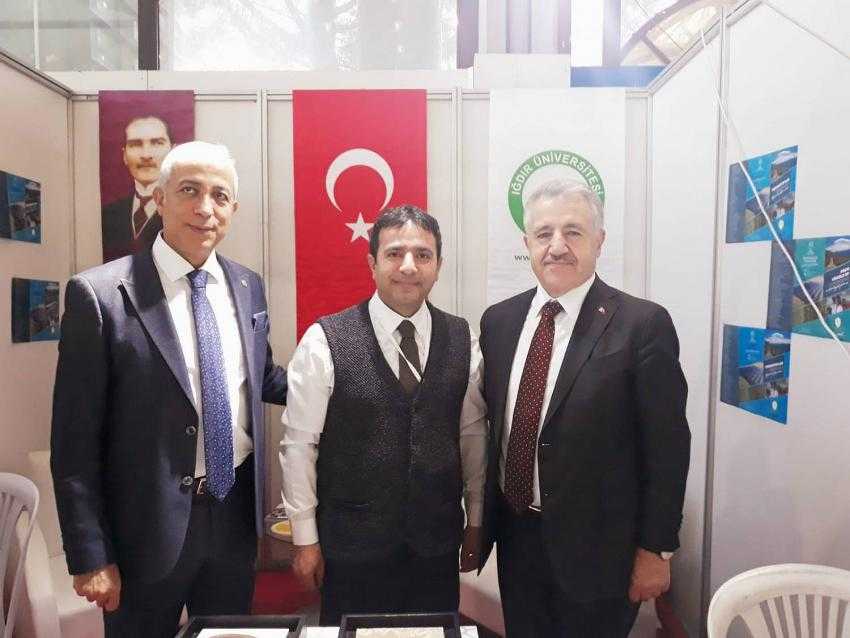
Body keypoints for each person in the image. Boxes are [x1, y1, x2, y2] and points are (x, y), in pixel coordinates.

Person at [52, 141, 287, 638]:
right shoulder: (100, 295)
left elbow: (261, 377)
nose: (205, 208)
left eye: (219, 196)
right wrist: (90, 554)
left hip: (232, 519)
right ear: (160, 198)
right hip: (143, 531)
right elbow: (74, 442)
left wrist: (342, 379)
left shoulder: (248, 286)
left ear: (234, 209)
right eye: (189, 191)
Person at [478, 179, 691, 637]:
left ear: (599, 240)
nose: (557, 246)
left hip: (602, 555)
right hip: (517, 541)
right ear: (527, 244)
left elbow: (668, 448)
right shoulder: (498, 321)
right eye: (544, 233)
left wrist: (656, 550)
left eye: (573, 232)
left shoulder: (642, 325)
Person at [280, 205, 487, 625]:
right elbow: (300, 445)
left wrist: (477, 520)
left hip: (435, 548)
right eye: (394, 253)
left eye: (423, 255)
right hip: (351, 549)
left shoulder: (463, 339)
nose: (409, 266)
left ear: (438, 266)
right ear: (372, 263)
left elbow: (471, 436)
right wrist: (305, 539)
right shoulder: (324, 340)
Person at [101, 115, 173, 262]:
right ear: (124, 156)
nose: (146, 155)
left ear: (173, 152)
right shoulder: (108, 214)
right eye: (135, 144)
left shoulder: (183, 211)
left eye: (157, 143)